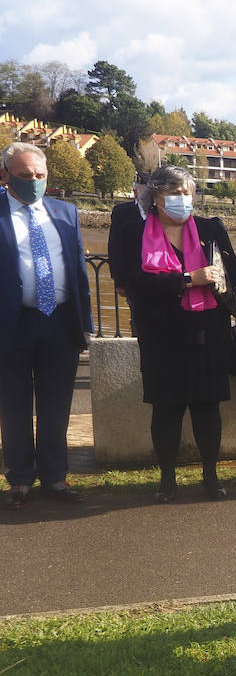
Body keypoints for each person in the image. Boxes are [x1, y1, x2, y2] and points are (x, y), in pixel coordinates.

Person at [119, 165, 236, 501]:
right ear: (156, 198)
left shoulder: (210, 228)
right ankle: (167, 479)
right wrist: (186, 279)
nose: (183, 200)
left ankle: (211, 476)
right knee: (167, 409)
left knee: (208, 407)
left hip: (208, 332)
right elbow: (132, 283)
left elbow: (233, 268)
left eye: (187, 194)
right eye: (175, 194)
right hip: (162, 335)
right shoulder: (134, 233)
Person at [0, 142, 93, 510]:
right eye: (25, 176)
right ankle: (20, 479)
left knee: (57, 405)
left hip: (59, 322)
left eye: (40, 175)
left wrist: (84, 325)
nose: (34, 182)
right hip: (11, 324)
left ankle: (55, 477)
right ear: (5, 175)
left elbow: (80, 273)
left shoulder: (65, 212)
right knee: (14, 404)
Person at [107, 171, 149, 328]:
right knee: (138, 320)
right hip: (134, 278)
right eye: (145, 190)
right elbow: (115, 247)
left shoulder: (160, 211)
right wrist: (119, 281)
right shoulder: (122, 212)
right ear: (135, 190)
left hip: (160, 277)